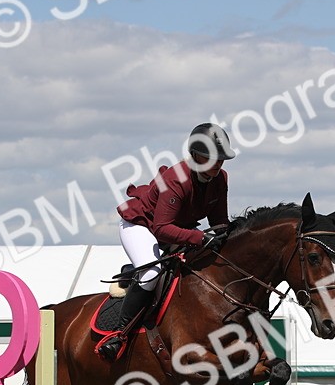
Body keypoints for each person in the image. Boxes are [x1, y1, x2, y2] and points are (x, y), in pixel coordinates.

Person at [96, 123, 236, 361]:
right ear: (196, 156)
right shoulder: (176, 178)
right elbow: (161, 229)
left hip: (176, 228)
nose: (219, 163)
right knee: (152, 272)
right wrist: (201, 237)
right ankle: (119, 335)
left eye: (221, 159)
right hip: (142, 226)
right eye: (214, 158)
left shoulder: (220, 178)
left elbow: (219, 221)